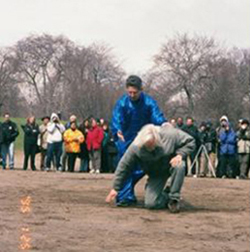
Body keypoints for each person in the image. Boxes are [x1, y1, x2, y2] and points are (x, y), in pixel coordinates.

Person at [106, 124, 195, 213]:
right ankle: (167, 195)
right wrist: (115, 188)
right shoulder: (135, 147)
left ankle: (174, 199)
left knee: (180, 165)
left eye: (152, 145)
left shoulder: (170, 134)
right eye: (147, 146)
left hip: (171, 164)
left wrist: (180, 154)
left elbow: (190, 141)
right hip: (156, 173)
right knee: (151, 204)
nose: (150, 148)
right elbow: (124, 166)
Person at [111, 75, 166, 206]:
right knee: (125, 167)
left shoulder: (149, 102)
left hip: (143, 140)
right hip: (125, 140)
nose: (132, 95)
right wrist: (117, 130)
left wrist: (163, 124)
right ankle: (125, 197)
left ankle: (131, 191)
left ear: (141, 89)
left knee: (143, 167)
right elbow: (116, 118)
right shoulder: (122, 103)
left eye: (135, 92)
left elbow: (156, 115)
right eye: (129, 92)